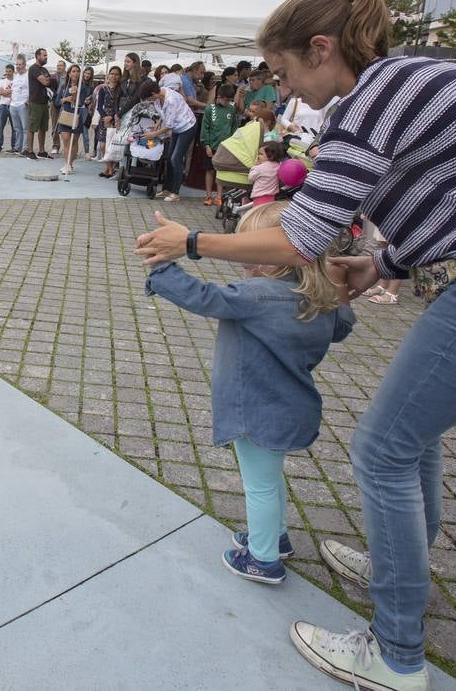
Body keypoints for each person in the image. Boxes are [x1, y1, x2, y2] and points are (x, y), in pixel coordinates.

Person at [135, 0, 456, 691]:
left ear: (322, 49)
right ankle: (401, 564)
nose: (284, 86)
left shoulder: (368, 106)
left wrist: (192, 240)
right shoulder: (421, 78)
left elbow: (298, 237)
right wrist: (384, 262)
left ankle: (394, 655)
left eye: (286, 71)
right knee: (411, 438)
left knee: (382, 450)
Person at [145, 201, 353, 584]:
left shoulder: (257, 295)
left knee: (258, 485)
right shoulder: (321, 302)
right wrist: (338, 280)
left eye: (253, 249)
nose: (245, 257)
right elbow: (344, 325)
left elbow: (205, 298)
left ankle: (262, 559)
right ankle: (274, 537)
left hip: (256, 408)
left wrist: (162, 267)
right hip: (292, 407)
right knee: (270, 479)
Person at [155, 76, 198, 203]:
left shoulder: (171, 99)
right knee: (169, 157)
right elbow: (163, 114)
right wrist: (157, 124)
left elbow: (169, 125)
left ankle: (175, 192)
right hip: (177, 128)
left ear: (154, 93)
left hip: (187, 126)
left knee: (176, 158)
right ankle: (167, 189)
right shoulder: (159, 97)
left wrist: (154, 134)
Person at [201, 83, 238, 206]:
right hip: (211, 145)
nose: (227, 102)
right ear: (219, 97)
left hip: (225, 146)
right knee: (210, 170)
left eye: (229, 100)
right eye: (225, 99)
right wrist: (206, 145)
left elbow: (234, 127)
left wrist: (232, 144)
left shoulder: (232, 108)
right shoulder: (210, 109)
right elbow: (205, 128)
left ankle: (219, 196)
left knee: (221, 171)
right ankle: (208, 195)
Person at [26, 47, 54, 159]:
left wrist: (48, 79)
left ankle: (41, 151)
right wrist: (48, 79)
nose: (46, 57)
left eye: (46, 55)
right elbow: (46, 81)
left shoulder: (44, 70)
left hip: (44, 103)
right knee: (32, 128)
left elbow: (48, 81)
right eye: (44, 55)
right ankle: (30, 151)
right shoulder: (33, 68)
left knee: (43, 128)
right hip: (35, 102)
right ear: (38, 56)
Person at [57, 64, 85, 175]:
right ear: (69, 73)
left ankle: (70, 164)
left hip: (77, 116)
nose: (76, 73)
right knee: (66, 140)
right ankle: (67, 164)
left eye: (78, 71)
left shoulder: (83, 87)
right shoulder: (64, 86)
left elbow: (82, 102)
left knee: (74, 142)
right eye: (73, 71)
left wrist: (76, 94)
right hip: (65, 116)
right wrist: (65, 99)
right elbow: (57, 101)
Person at [95, 66, 119, 170]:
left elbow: (118, 105)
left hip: (116, 117)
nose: (114, 76)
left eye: (117, 74)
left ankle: (111, 169)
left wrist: (112, 117)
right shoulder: (103, 89)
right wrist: (105, 117)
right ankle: (108, 167)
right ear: (108, 75)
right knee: (102, 145)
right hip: (104, 118)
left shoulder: (120, 89)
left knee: (113, 145)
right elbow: (99, 106)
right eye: (112, 73)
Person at [248, 140, 286, 206]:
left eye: (261, 154)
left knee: (257, 213)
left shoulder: (260, 168)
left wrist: (254, 166)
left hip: (259, 196)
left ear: (271, 156)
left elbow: (250, 178)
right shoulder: (279, 166)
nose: (258, 156)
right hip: (272, 197)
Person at [0, 63, 19, 152]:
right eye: (6, 71)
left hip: (13, 106)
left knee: (14, 128)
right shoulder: (2, 81)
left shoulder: (16, 81)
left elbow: (16, 93)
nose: (8, 73)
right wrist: (10, 92)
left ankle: (14, 146)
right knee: (0, 127)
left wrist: (7, 92)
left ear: (13, 72)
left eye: (10, 71)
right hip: (3, 106)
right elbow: (1, 93)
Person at [9, 54, 30, 154]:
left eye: (20, 64)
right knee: (17, 128)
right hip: (13, 105)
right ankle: (18, 147)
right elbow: (13, 89)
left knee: (25, 128)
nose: (18, 66)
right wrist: (11, 102)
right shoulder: (16, 76)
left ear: (24, 65)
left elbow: (32, 90)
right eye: (17, 64)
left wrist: (27, 101)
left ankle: (26, 148)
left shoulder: (28, 75)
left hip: (23, 104)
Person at [49, 58, 68, 153]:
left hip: (65, 103)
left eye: (61, 65)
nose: (59, 67)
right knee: (54, 125)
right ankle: (55, 146)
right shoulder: (54, 76)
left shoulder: (68, 77)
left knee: (66, 125)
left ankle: (67, 146)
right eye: (58, 65)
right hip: (55, 102)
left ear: (65, 67)